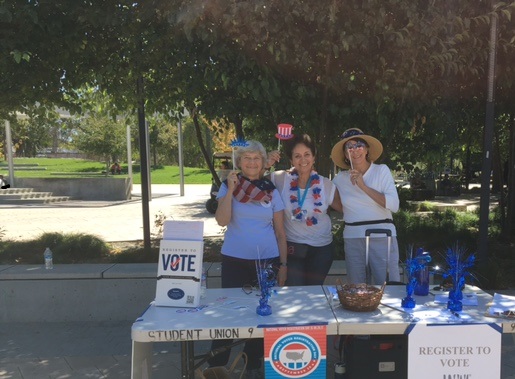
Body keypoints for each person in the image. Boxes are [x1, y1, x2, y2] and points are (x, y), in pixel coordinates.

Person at [207, 140, 287, 377]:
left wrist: (282, 266)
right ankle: (216, 368)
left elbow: (281, 233)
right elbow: (222, 220)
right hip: (235, 259)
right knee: (228, 316)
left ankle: (251, 366)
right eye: (247, 158)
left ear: (263, 163)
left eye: (256, 158)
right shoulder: (227, 185)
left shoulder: (271, 190)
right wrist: (231, 190)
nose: (252, 162)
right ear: (239, 162)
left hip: (267, 261)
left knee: (261, 313)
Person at [266, 134, 341, 286]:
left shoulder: (326, 185)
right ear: (291, 160)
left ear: (314, 157)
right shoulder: (279, 179)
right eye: (297, 156)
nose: (303, 160)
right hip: (293, 248)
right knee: (295, 291)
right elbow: (252, 180)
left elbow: (346, 209)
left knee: (313, 292)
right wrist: (265, 164)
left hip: (321, 249)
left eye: (307, 154)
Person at [331, 128, 400, 285]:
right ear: (345, 154)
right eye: (349, 146)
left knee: (388, 287)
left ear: (367, 149)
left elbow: (394, 205)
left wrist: (363, 186)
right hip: (353, 237)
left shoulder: (381, 171)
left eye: (359, 145)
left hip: (382, 235)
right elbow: (332, 201)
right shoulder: (340, 179)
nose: (355, 150)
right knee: (357, 289)